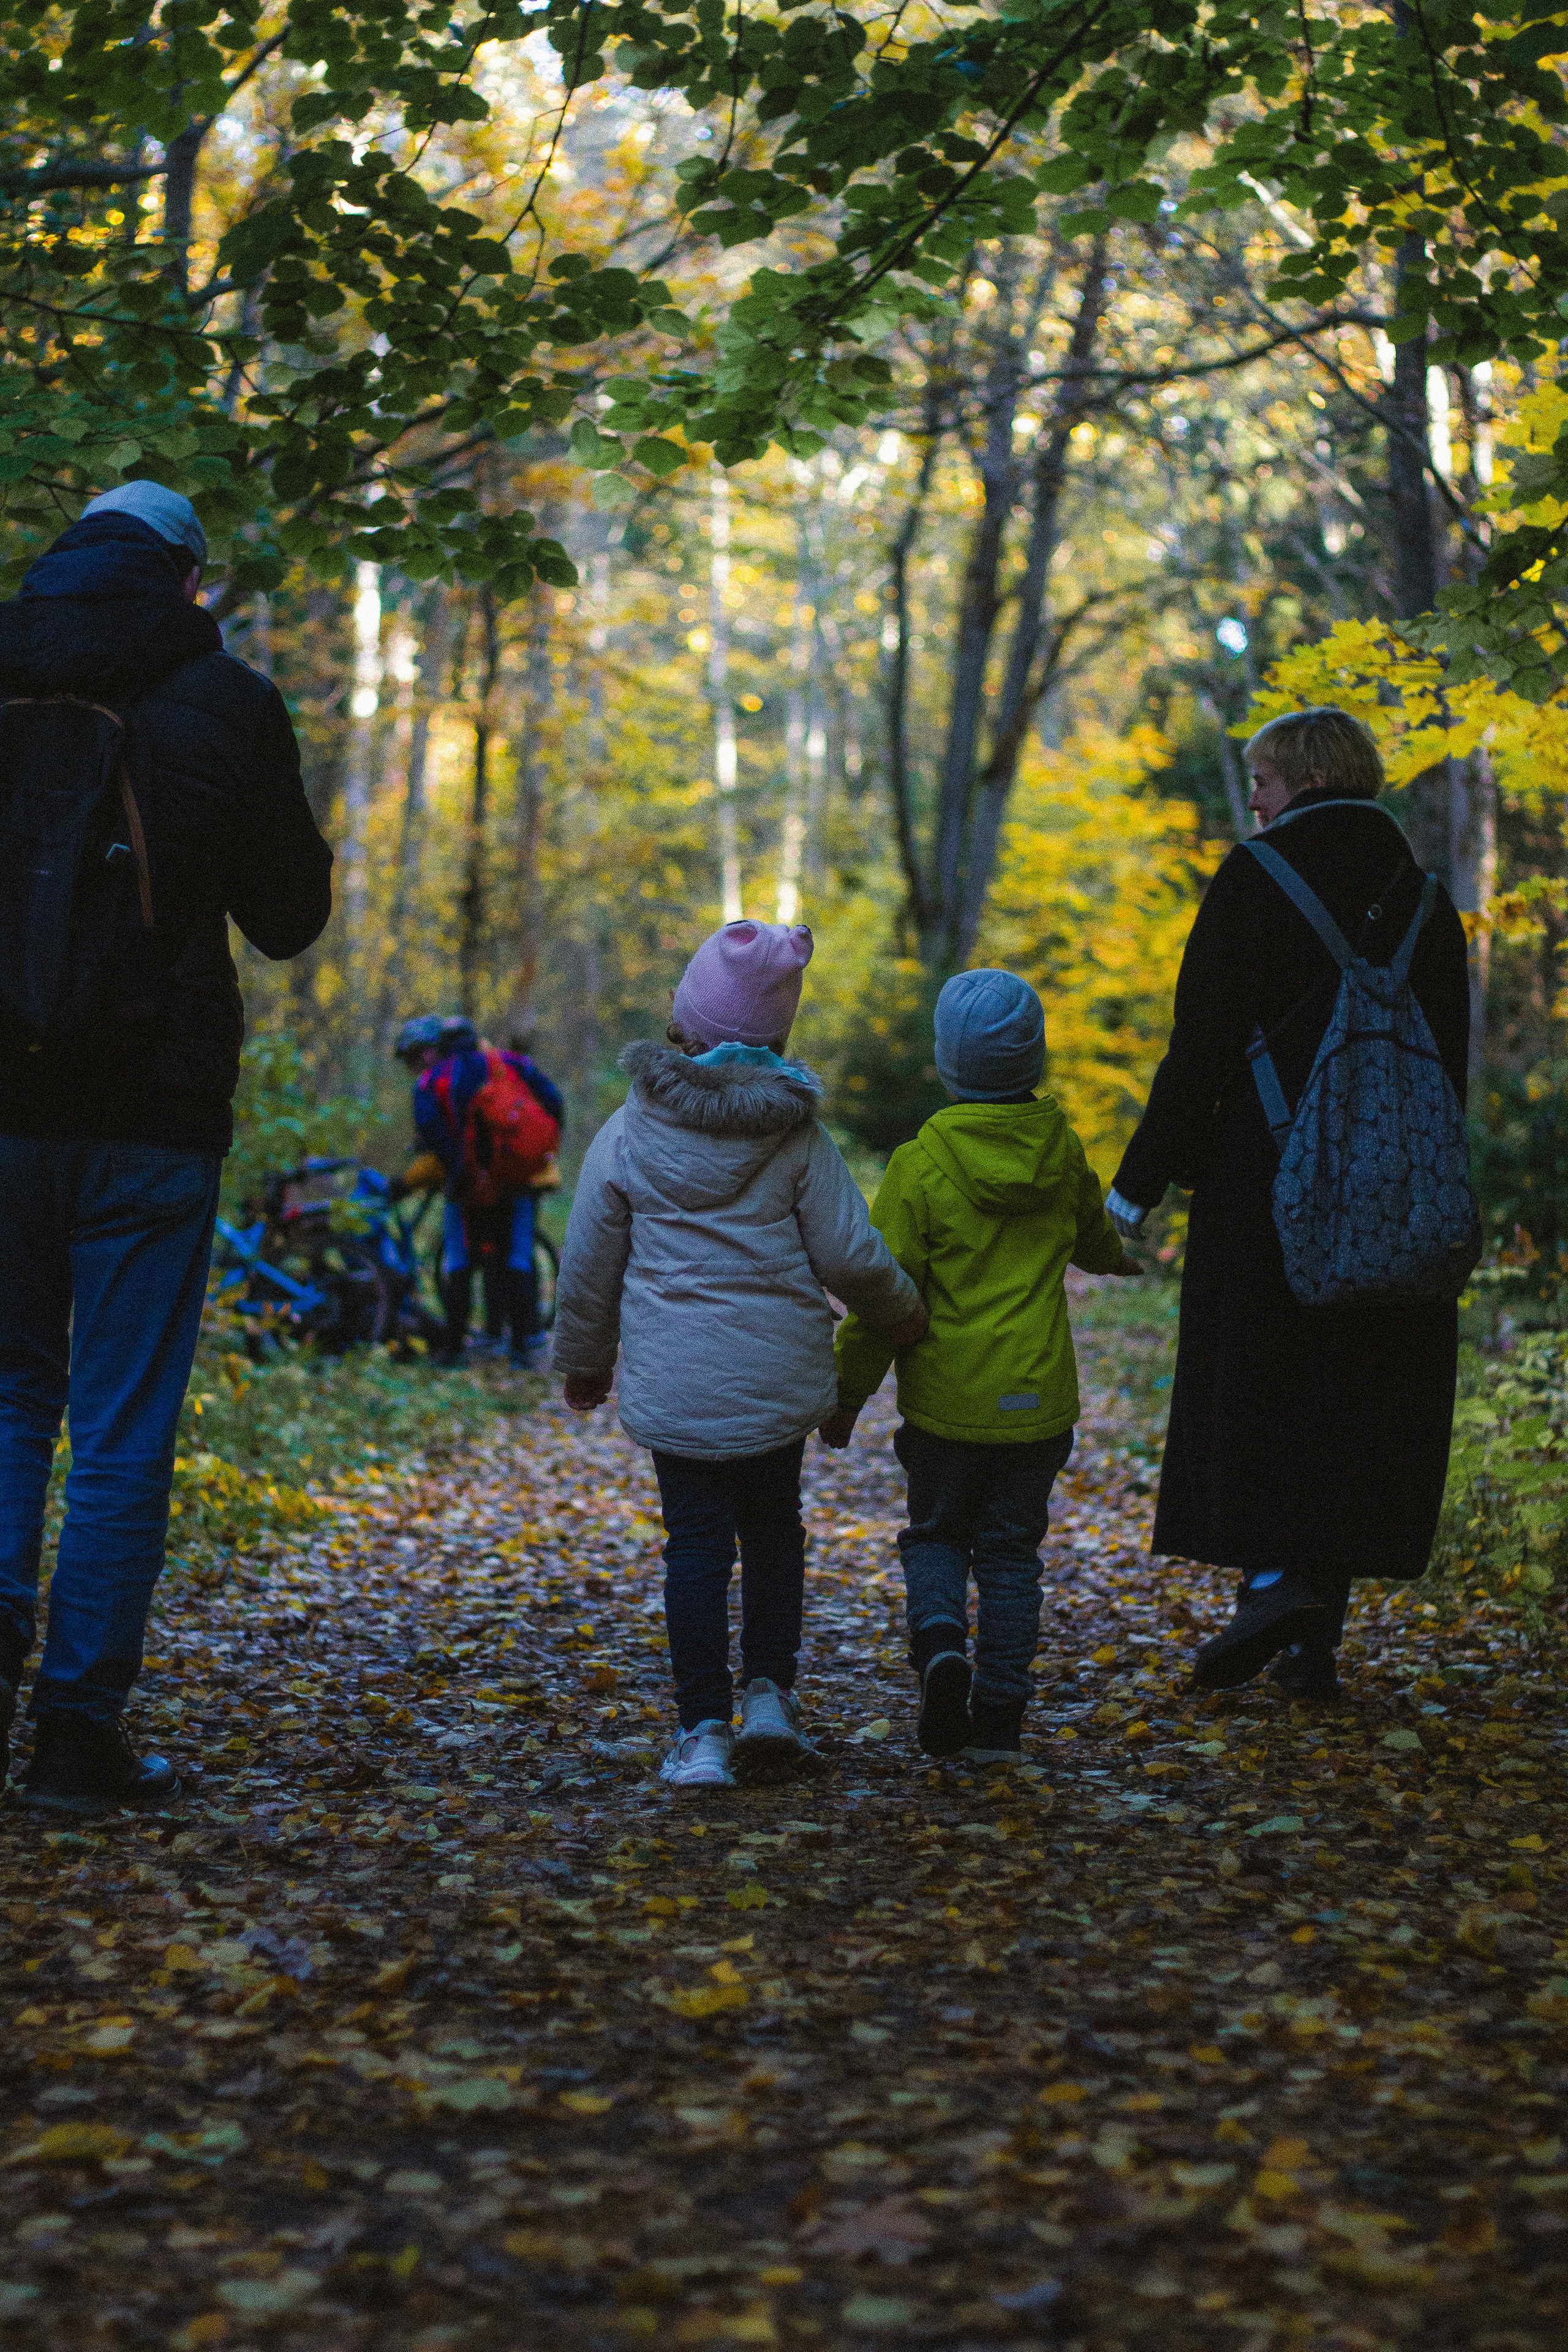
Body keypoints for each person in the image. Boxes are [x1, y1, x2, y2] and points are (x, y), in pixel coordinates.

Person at [0, 480, 333, 1812]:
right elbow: (290, 919)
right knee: (122, 1427)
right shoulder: (230, 703)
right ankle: (78, 1737)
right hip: (155, 1116)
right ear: (188, 580)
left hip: (1, 1116)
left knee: (9, 1399)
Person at [1106, 706, 1471, 1699]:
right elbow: (1450, 1068)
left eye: (1263, 778)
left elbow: (1202, 1053)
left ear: (1307, 774)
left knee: (1262, 1388)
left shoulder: (1252, 881)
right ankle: (1314, 1644)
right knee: (1357, 1401)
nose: (1254, 797)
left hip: (1265, 1191)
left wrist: (1134, 1191)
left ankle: (1271, 1586)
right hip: (1398, 1196)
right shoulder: (1428, 903)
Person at [553, 919, 928, 1790]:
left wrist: (586, 1357)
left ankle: (702, 1734)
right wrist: (902, 1313)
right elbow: (849, 1255)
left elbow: (589, 1259)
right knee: (770, 1535)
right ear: (776, 1037)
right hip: (773, 1380)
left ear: (684, 1023)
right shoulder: (795, 1136)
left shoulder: (631, 1128)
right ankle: (770, 1698)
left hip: (677, 1383)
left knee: (693, 1549)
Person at [822, 970, 1137, 1764]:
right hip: (1036, 1408)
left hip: (944, 1408)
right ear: (1032, 1062)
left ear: (946, 1063)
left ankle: (939, 1651)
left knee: (935, 1535)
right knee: (1010, 1557)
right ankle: (999, 1720)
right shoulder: (1060, 1149)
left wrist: (845, 1395)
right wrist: (1116, 1259)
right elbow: (1092, 1232)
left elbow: (882, 1293)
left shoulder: (920, 1164)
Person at [410, 1016, 563, 1370]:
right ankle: (525, 1347)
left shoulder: (433, 1080)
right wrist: (538, 1151)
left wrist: (465, 1173)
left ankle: (453, 1351)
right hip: (519, 1179)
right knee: (517, 1258)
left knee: (460, 1262)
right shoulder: (511, 1063)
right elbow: (553, 1102)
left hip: (468, 1189)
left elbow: (434, 1133)